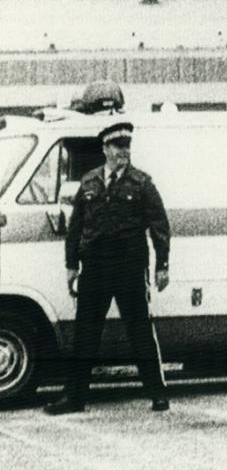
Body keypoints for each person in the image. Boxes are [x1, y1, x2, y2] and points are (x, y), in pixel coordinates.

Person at [45, 95, 173, 415]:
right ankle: (74, 398)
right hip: (96, 267)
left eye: (127, 146)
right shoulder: (89, 182)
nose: (123, 152)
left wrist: (162, 266)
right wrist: (71, 265)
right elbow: (75, 228)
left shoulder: (141, 183)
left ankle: (158, 393)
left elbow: (160, 226)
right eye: (117, 147)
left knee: (140, 331)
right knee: (85, 333)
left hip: (129, 266)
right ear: (105, 149)